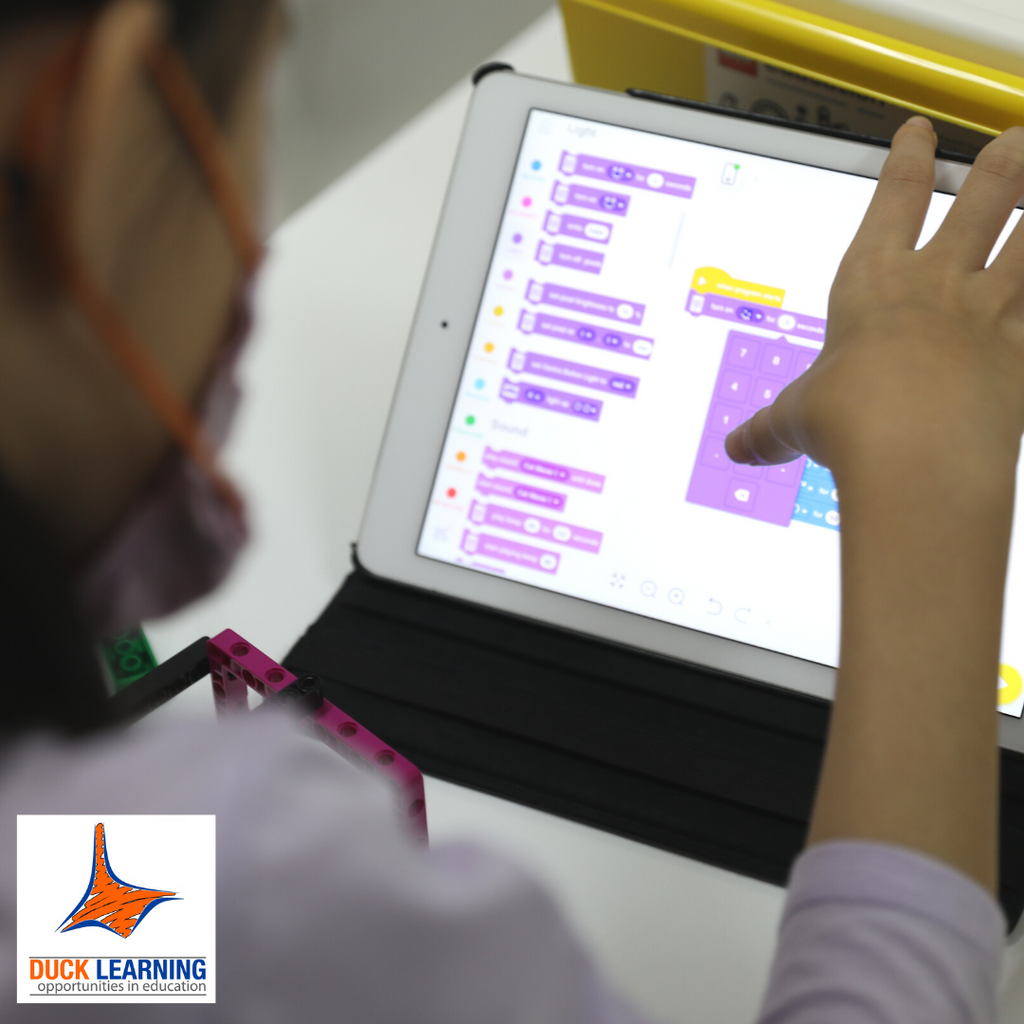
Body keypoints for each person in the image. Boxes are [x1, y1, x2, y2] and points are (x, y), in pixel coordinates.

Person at [0, 0, 1019, 1020]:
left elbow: (87, 962)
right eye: (251, 112)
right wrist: (927, 472)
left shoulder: (85, 896)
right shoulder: (251, 888)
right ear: (106, 112)